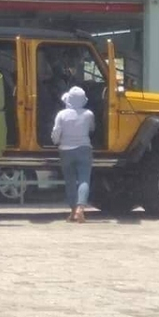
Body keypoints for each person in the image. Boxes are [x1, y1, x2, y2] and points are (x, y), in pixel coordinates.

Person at [51, 86, 95, 223]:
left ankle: (72, 211)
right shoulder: (89, 114)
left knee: (70, 181)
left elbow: (56, 133)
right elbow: (92, 129)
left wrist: (55, 142)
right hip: (84, 149)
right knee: (84, 180)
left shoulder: (61, 114)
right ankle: (80, 209)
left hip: (66, 151)